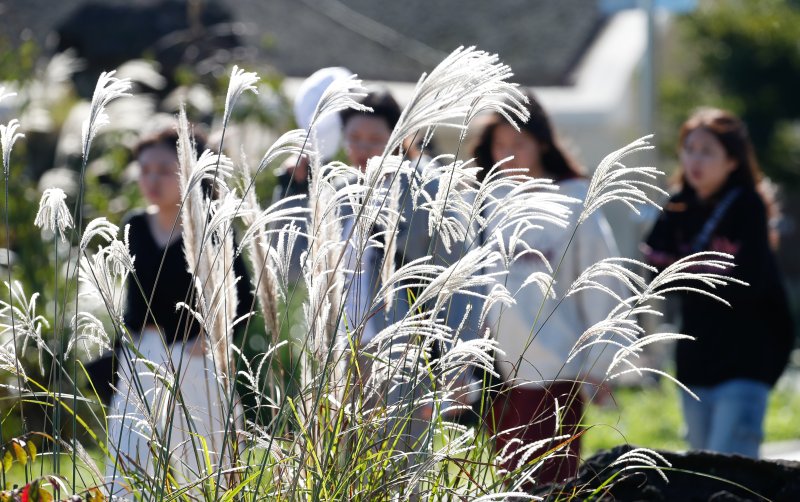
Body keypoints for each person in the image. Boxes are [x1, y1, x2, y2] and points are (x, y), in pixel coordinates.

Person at [473, 91, 621, 484]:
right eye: (500, 146)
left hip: (556, 369)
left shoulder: (574, 200)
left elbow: (600, 281)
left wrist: (600, 363)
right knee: (511, 483)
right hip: (498, 374)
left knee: (550, 483)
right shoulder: (487, 204)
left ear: (541, 141)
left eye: (518, 143)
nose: (509, 155)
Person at [106, 127, 253, 496]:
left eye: (164, 170)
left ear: (191, 171)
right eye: (145, 170)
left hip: (194, 358)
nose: (152, 180)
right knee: (127, 456)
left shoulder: (210, 226)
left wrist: (212, 337)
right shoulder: (136, 226)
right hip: (141, 354)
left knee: (203, 464)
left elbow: (243, 296)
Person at [643, 108, 794, 458]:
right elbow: (654, 274)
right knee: (701, 473)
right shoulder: (677, 206)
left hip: (745, 364)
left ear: (732, 161)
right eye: (690, 148)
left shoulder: (747, 207)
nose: (696, 159)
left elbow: (746, 283)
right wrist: (703, 270)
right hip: (695, 365)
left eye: (708, 151)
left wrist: (687, 270)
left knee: (732, 471)